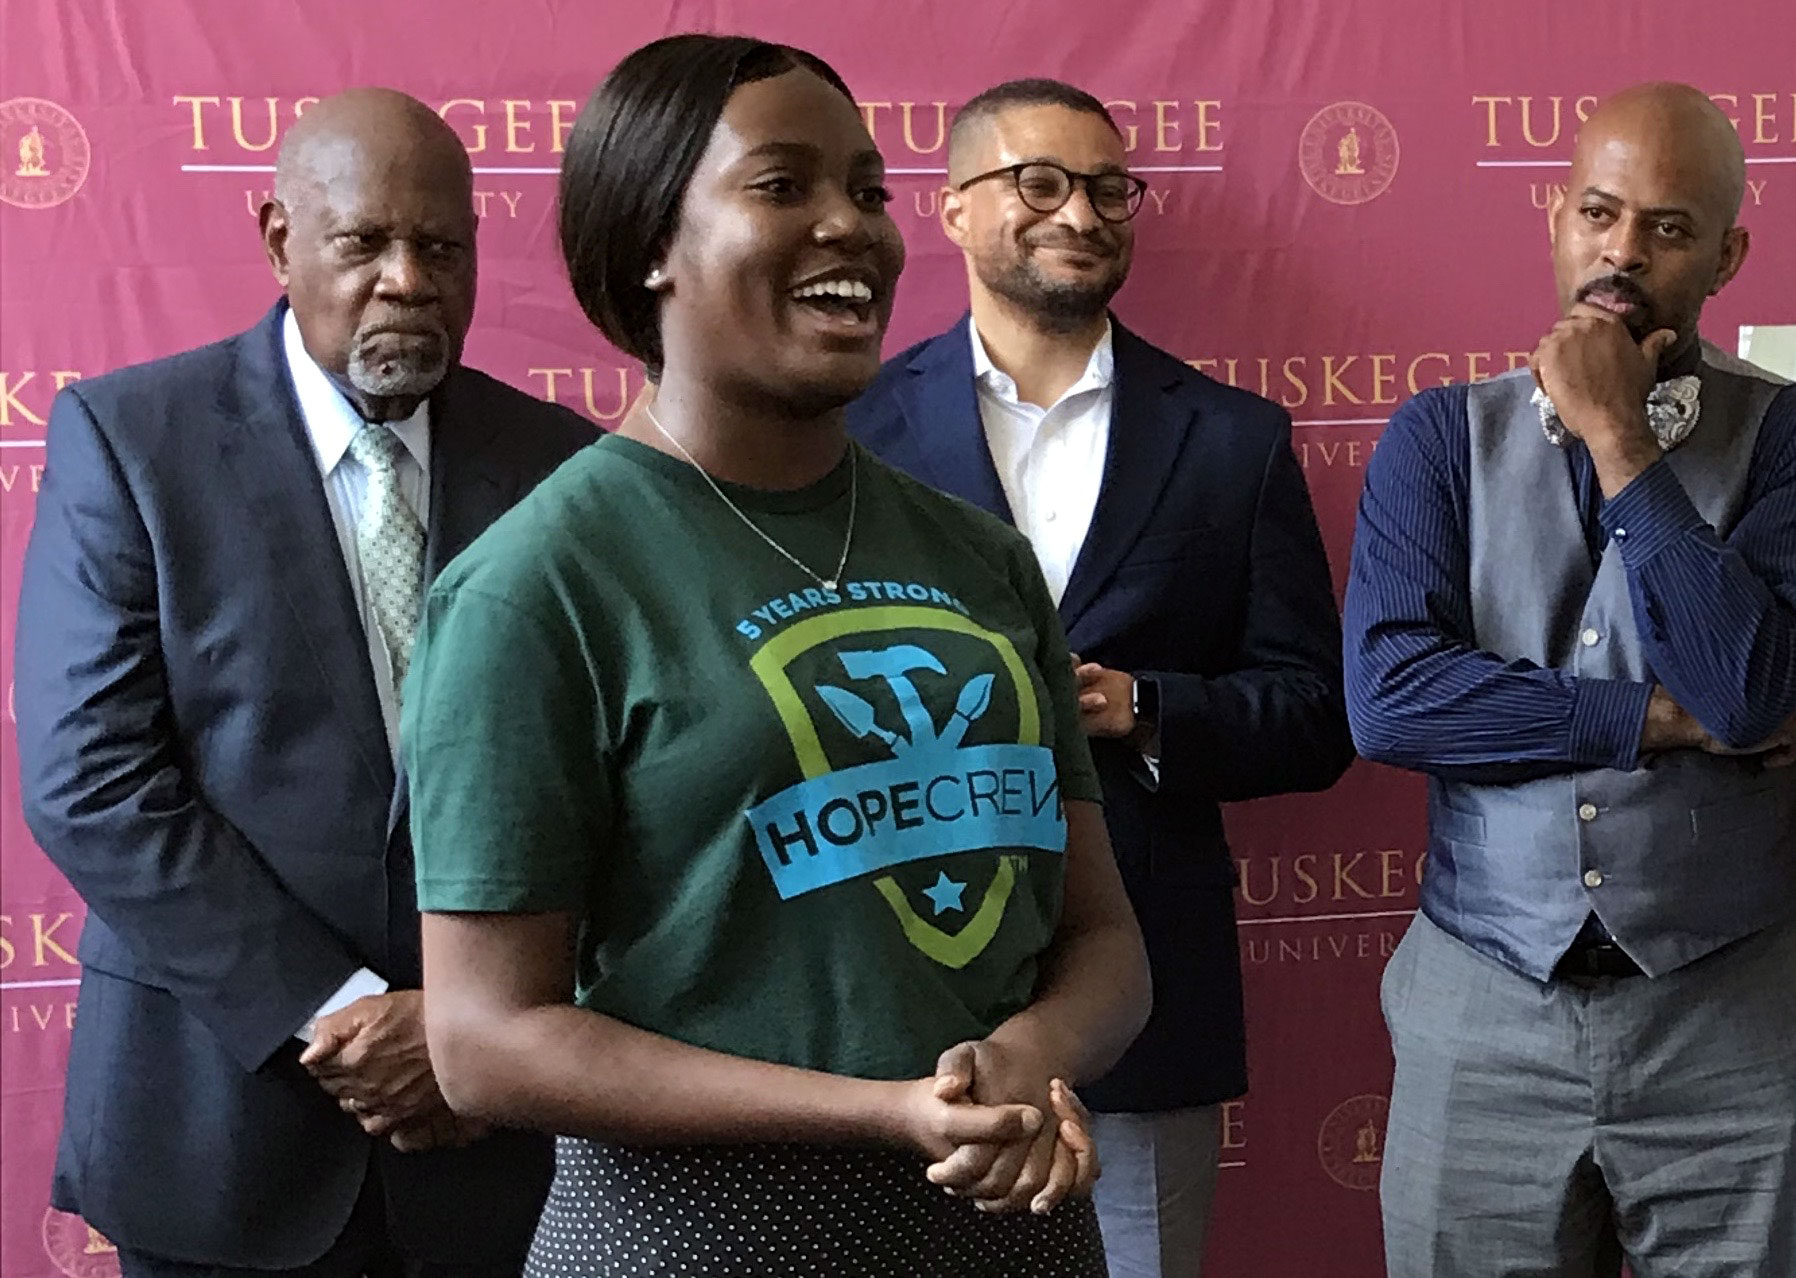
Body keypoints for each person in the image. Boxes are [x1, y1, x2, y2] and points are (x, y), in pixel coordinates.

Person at [402, 35, 1151, 1277]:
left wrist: (1027, 1056)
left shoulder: (982, 558)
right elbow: (484, 1040)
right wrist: (883, 1114)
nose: (848, 229)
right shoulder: (535, 584)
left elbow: (1102, 943)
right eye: (781, 186)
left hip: (1010, 1233)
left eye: (865, 191)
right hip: (691, 1242)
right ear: (651, 241)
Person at [13, 88, 594, 1278]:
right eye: (364, 243)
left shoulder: (563, 470)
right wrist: (337, 1012)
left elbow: (615, 784)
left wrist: (462, 1025)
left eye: (440, 248)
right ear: (282, 241)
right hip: (221, 1133)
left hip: (496, 1136)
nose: (406, 279)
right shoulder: (131, 440)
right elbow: (91, 781)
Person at [848, 79, 1352, 1277]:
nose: (1078, 211)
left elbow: (1315, 714)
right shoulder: (848, 426)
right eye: (1038, 182)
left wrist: (1144, 710)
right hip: (887, 997)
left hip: (1140, 1002)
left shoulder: (1232, 438)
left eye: (1106, 187)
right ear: (956, 207)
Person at [1344, 82, 1796, 1276]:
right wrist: (1658, 717)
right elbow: (1391, 699)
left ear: (1725, 253)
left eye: (1666, 226)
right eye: (1598, 212)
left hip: (1732, 1012)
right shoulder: (1437, 435)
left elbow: (1745, 693)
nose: (1621, 250)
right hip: (1479, 1004)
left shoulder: (1784, 438)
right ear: (1553, 217)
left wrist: (1618, 440)